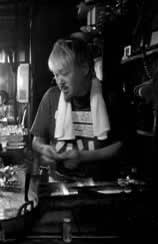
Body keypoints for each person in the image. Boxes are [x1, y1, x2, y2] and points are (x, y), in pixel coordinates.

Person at [31, 38, 126, 180]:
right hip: (59, 180)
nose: (60, 81)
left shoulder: (109, 97)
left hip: (102, 183)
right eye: (56, 75)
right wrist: (45, 149)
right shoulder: (51, 97)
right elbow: (36, 141)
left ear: (84, 68)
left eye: (64, 73)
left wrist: (83, 156)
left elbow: (121, 146)